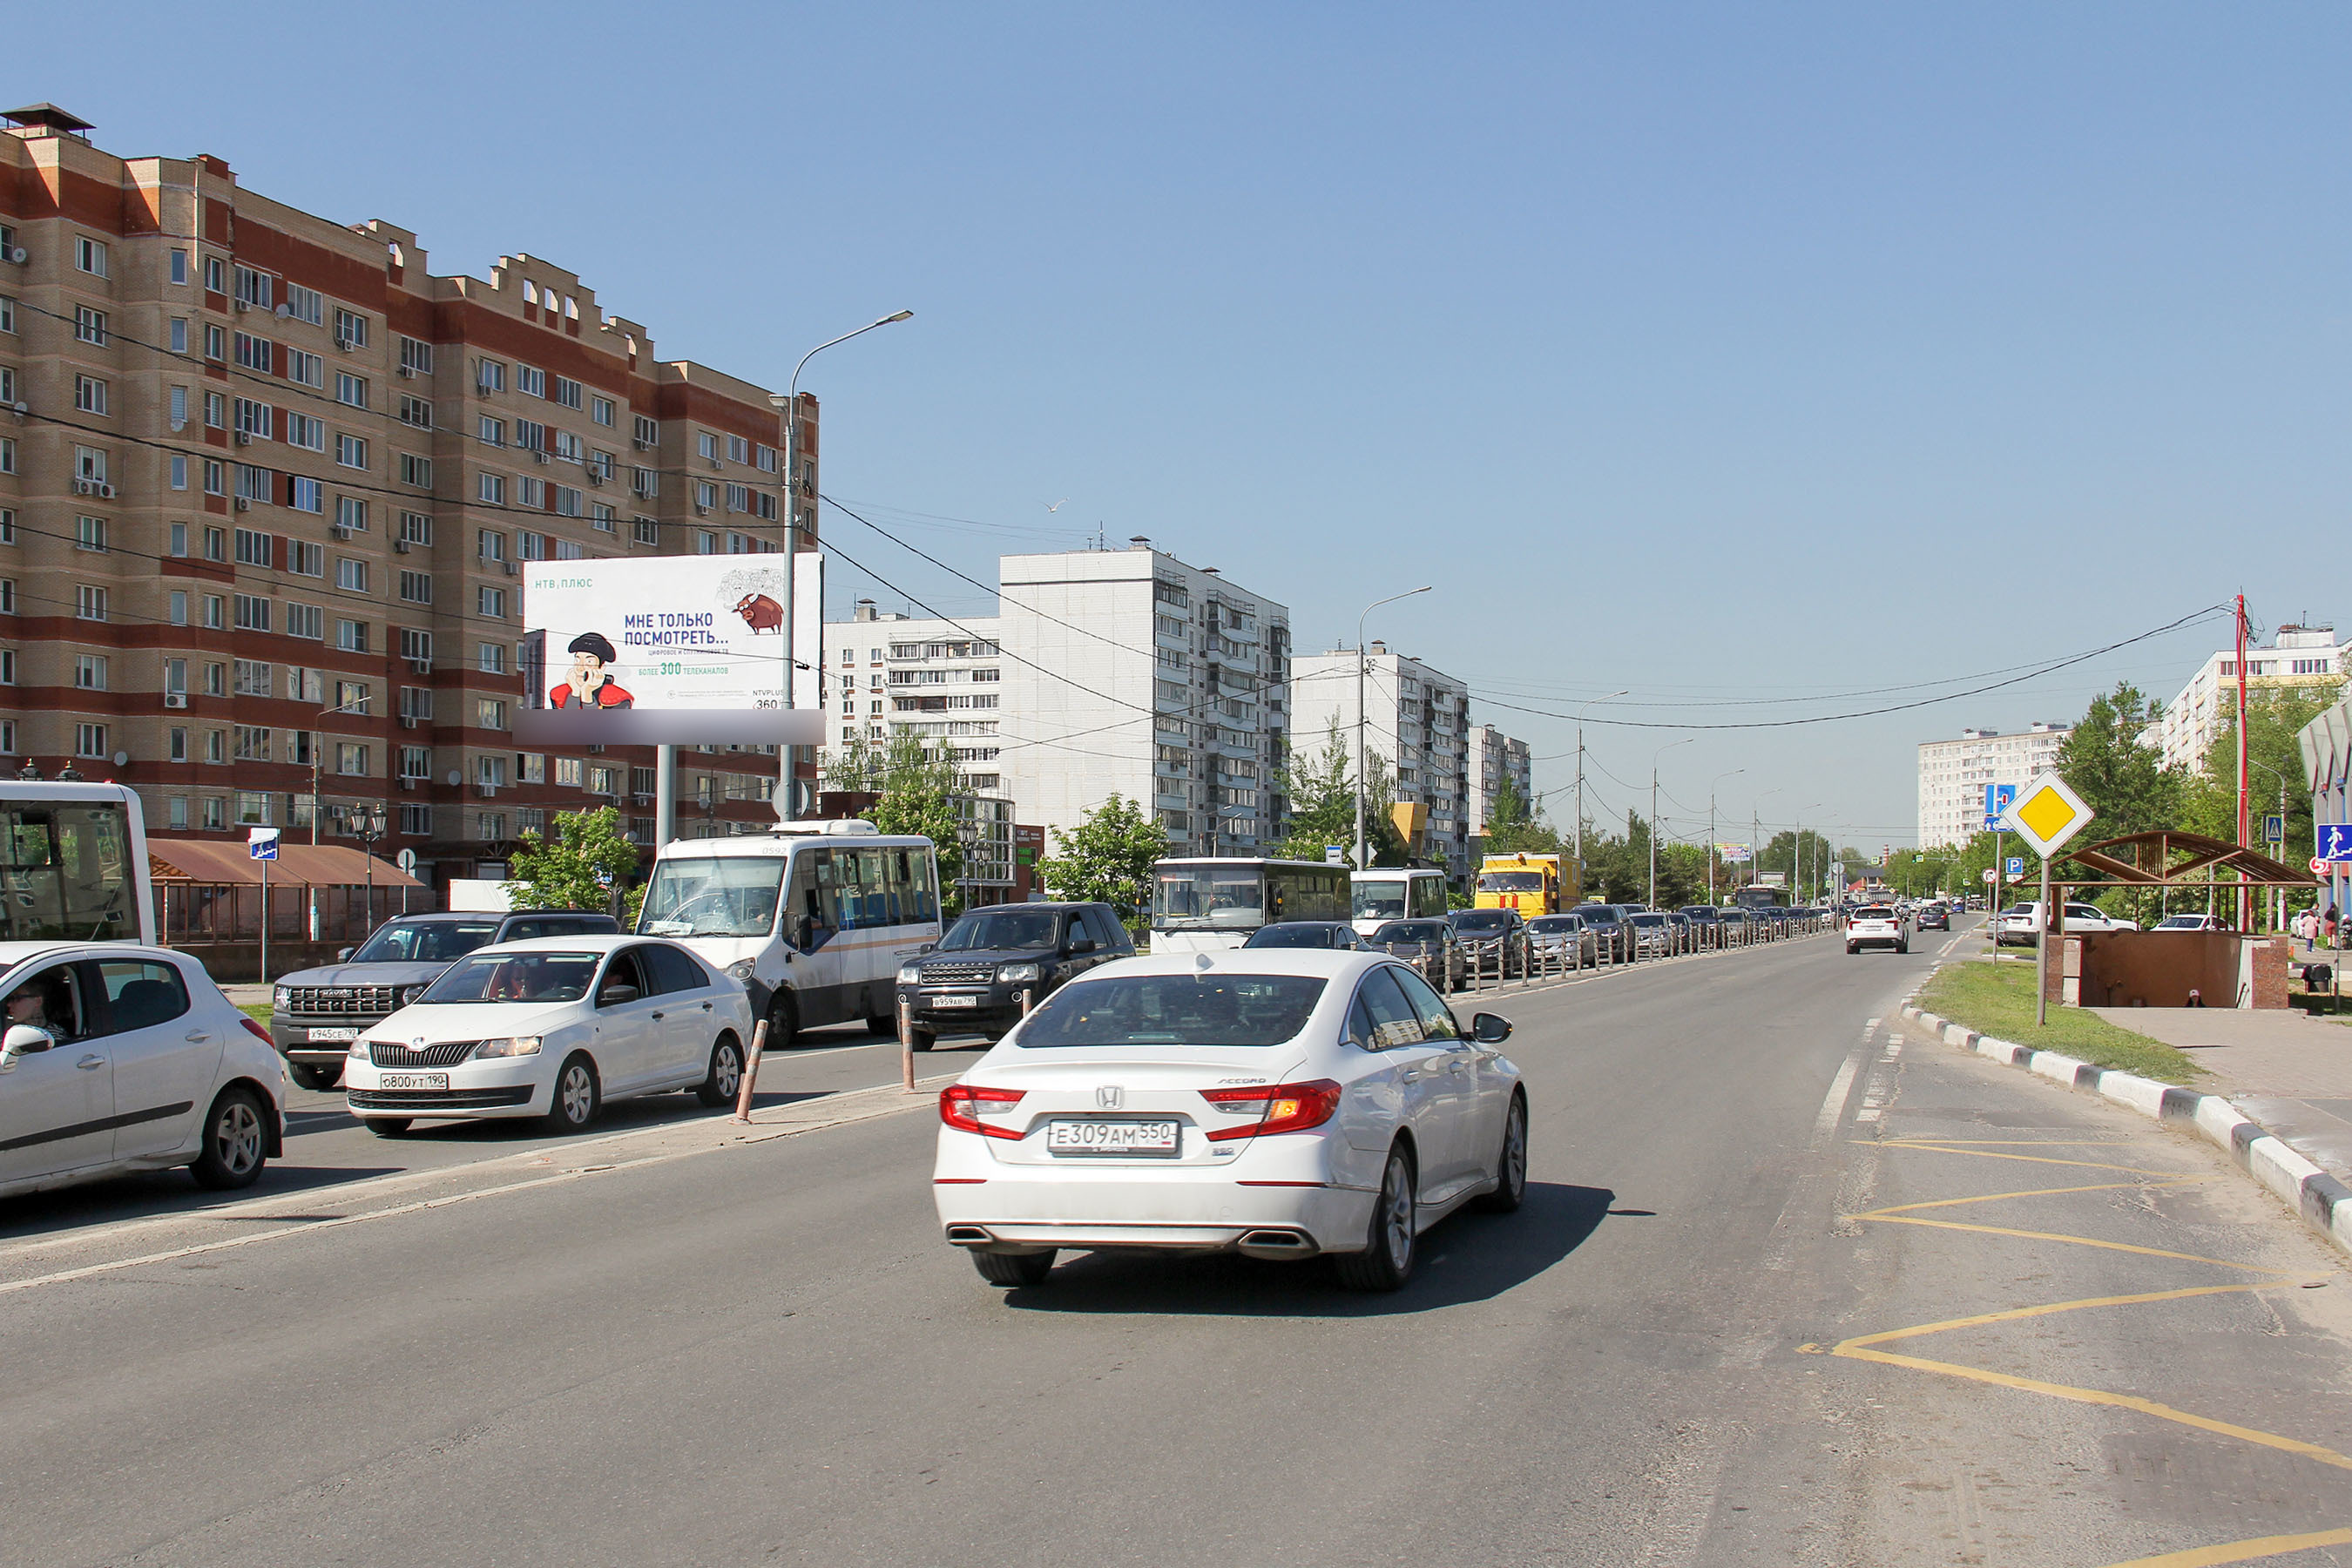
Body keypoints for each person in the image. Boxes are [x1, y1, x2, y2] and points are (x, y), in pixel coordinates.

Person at [548, 632, 635, 710]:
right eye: (577, 661)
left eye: (589, 662)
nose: (580, 668)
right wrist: (575, 693)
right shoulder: (559, 694)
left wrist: (587, 694)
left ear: (601, 668)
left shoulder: (618, 698)